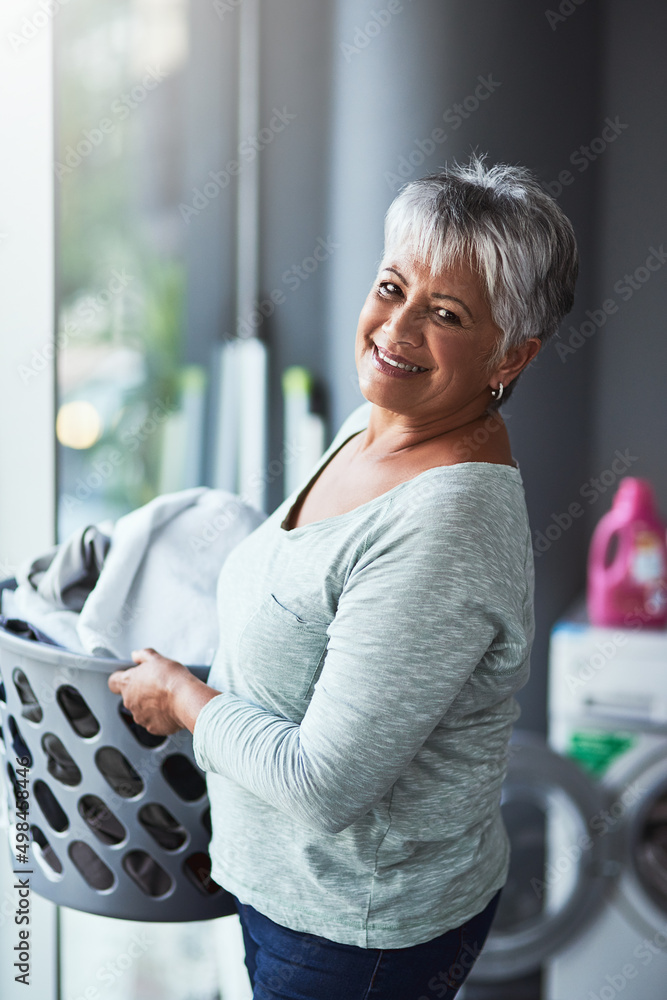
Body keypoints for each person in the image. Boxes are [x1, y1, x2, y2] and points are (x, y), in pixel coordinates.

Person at [109, 156, 578, 999]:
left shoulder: (446, 525)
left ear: (511, 355)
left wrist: (183, 700)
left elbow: (324, 786)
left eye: (445, 313)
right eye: (392, 287)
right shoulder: (381, 424)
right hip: (292, 891)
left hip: (353, 932)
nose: (396, 333)